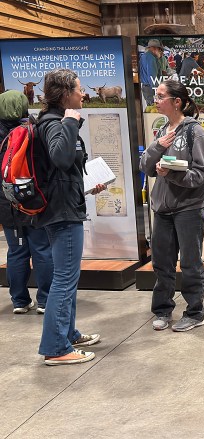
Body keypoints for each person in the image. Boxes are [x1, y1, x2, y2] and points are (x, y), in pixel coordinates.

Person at [36, 69, 106, 365]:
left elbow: (64, 169)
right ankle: (56, 348)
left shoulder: (58, 122)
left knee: (68, 277)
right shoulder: (55, 123)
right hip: (61, 213)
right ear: (65, 94)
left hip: (67, 205)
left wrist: (88, 186)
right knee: (64, 279)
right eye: (79, 89)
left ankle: (68, 334)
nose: (84, 93)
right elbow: (61, 157)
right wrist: (69, 121)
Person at [140, 79, 204, 332]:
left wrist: (170, 174)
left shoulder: (196, 132)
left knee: (191, 263)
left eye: (160, 96)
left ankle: (195, 312)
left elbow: (201, 175)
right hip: (162, 209)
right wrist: (157, 147)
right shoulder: (162, 131)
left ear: (177, 101)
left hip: (189, 209)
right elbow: (146, 167)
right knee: (162, 263)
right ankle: (162, 310)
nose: (156, 101)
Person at [0, 90, 52, 315]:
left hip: (7, 202)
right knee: (41, 249)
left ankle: (19, 301)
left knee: (16, 251)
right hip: (33, 200)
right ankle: (45, 300)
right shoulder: (34, 130)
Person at [139, 39, 164, 106]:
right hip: (151, 88)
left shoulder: (144, 56)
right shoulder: (151, 58)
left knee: (151, 108)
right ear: (153, 48)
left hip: (146, 87)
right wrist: (158, 91)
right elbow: (152, 77)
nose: (159, 51)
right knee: (154, 108)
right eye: (159, 49)